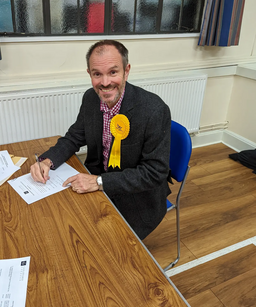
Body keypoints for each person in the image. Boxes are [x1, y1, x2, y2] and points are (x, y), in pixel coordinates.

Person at [30, 40, 171, 240]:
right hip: (95, 180)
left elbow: (155, 172)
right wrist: (47, 161)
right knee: (59, 223)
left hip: (137, 197)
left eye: (113, 72)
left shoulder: (154, 110)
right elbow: (74, 137)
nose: (105, 82)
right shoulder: (91, 98)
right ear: (89, 74)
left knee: (98, 244)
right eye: (97, 74)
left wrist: (99, 181)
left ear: (126, 71)